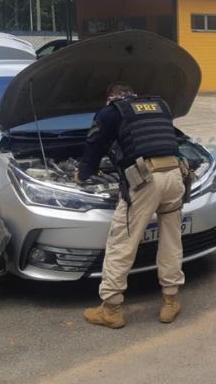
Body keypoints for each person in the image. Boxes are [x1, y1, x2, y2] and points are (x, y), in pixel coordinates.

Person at [78, 82, 186, 329]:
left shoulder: (112, 111)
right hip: (174, 174)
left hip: (146, 180)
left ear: (111, 97)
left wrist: (84, 173)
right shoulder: (160, 105)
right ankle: (170, 301)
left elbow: (94, 145)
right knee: (171, 240)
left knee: (122, 241)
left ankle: (111, 309)